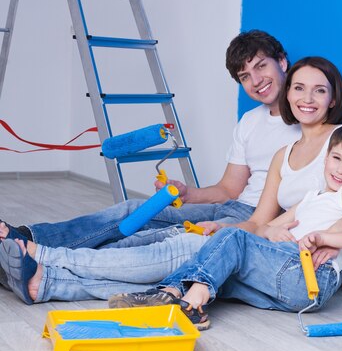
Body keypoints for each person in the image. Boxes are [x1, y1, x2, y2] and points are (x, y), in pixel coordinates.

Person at [0, 56, 342, 304]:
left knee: (174, 252)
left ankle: (41, 255)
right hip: (268, 242)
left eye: (319, 90)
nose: (306, 98)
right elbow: (260, 221)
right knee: (173, 258)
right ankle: (48, 281)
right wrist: (225, 227)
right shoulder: (281, 153)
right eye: (299, 89)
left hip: (298, 258)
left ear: (333, 98)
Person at [0, 30, 299, 251]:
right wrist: (186, 192)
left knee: (147, 241)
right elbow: (228, 189)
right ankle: (25, 237)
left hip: (256, 220)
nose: (256, 80)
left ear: (282, 62)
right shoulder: (250, 122)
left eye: (261, 66)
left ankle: (35, 258)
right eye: (245, 76)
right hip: (231, 207)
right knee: (133, 211)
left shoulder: (316, 121)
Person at [109, 124, 342, 330]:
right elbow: (264, 228)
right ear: (326, 159)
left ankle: (185, 301)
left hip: (311, 276)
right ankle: (175, 296)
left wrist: (326, 238)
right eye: (336, 159)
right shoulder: (312, 198)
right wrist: (271, 231)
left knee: (234, 237)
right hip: (289, 276)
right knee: (222, 269)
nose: (341, 170)